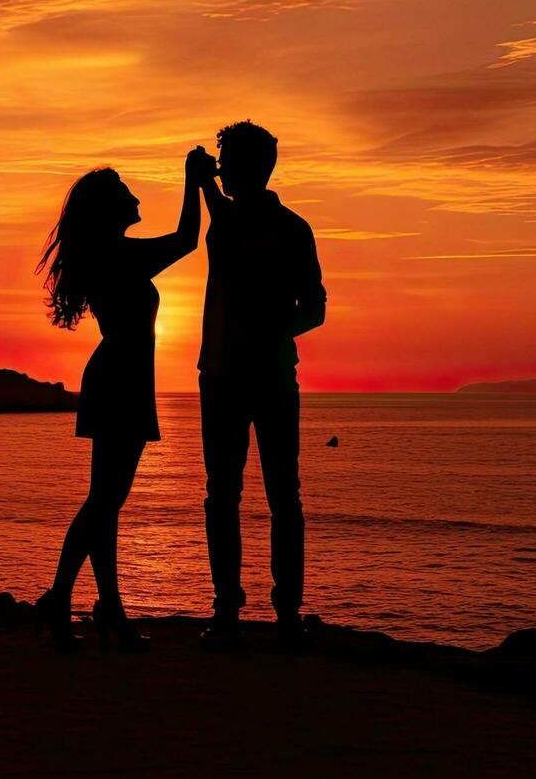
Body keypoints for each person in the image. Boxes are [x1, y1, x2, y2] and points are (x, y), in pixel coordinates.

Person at [34, 147, 217, 651]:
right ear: (111, 209)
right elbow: (186, 239)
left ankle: (106, 609)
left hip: (120, 378)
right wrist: (191, 181)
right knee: (104, 502)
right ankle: (64, 598)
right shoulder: (117, 256)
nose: (136, 199)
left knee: (107, 504)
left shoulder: (110, 255)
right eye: (127, 195)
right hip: (120, 380)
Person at [194, 120, 326, 649]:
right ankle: (244, 610)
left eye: (229, 161)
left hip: (256, 376)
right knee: (236, 495)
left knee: (271, 495)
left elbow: (313, 308)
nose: (222, 169)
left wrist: (270, 329)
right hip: (229, 375)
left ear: (250, 166)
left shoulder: (287, 229)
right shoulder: (274, 224)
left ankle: (276, 612)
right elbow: (226, 226)